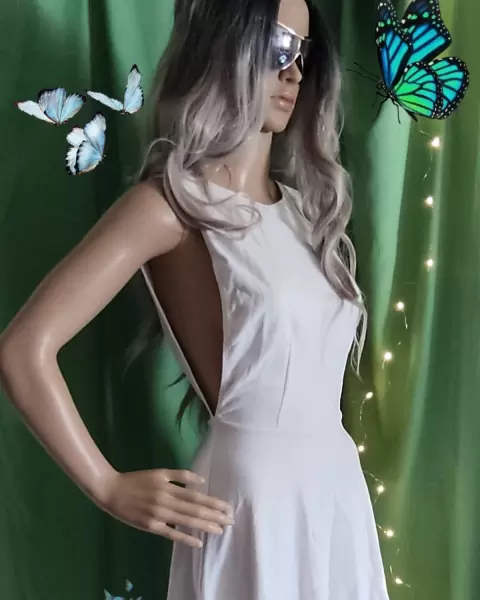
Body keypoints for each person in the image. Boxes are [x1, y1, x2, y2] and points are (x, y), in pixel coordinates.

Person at [0, 0, 391, 598]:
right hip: (250, 502)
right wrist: (106, 485)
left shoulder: (307, 213)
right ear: (226, 44)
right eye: (278, 46)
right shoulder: (171, 207)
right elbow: (24, 349)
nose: (294, 72)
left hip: (336, 493)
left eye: (305, 54)